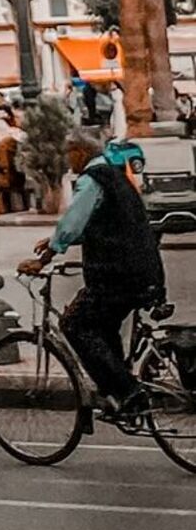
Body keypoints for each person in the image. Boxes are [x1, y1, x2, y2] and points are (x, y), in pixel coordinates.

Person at [18, 139, 166, 416]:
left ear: (80, 152)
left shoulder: (93, 179)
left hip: (116, 275)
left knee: (74, 324)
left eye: (69, 156)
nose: (67, 163)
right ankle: (116, 395)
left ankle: (128, 391)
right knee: (103, 328)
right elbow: (102, 223)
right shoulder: (117, 177)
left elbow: (73, 222)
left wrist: (44, 259)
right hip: (143, 270)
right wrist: (55, 241)